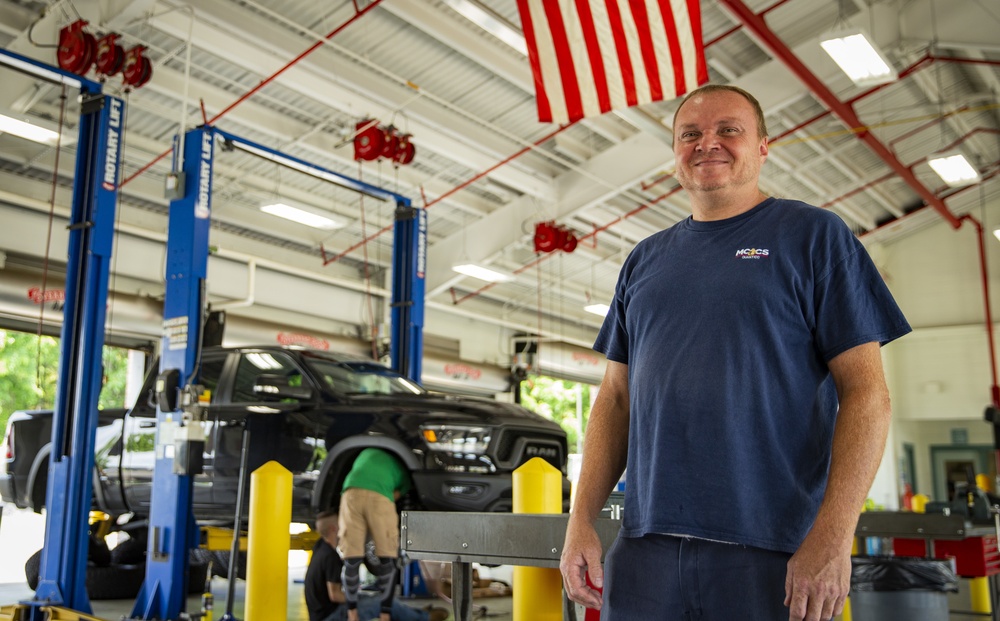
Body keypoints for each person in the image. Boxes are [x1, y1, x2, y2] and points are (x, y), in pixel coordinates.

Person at [559, 84, 911, 621]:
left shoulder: (814, 236)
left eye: (729, 130)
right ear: (675, 151)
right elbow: (615, 399)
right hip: (645, 547)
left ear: (763, 146)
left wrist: (835, 534)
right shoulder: (644, 260)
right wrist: (580, 520)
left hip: (772, 548)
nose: (708, 144)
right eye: (690, 134)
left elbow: (867, 394)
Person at [304, 509, 448, 621]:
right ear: (333, 528)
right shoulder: (330, 557)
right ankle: (424, 618)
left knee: (375, 598)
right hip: (331, 617)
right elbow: (335, 595)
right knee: (379, 601)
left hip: (322, 614)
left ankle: (414, 614)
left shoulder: (320, 547)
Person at [338, 448, 414, 621]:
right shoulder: (402, 467)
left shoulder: (365, 451)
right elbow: (395, 495)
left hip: (350, 492)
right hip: (380, 495)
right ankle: (385, 614)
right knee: (388, 559)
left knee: (351, 559)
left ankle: (352, 614)